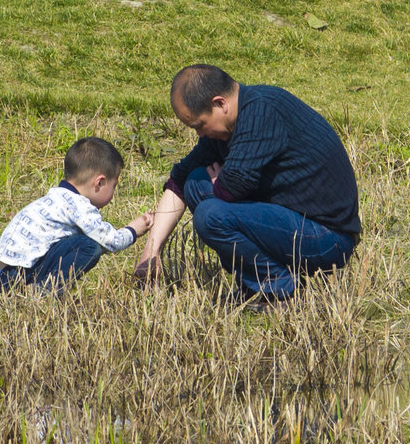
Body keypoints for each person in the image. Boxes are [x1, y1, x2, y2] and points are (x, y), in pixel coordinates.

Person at [134, 64, 361, 308]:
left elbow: (230, 189)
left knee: (211, 215)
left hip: (328, 238)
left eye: (199, 125)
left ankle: (279, 289)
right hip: (290, 224)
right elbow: (179, 180)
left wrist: (222, 184)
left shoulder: (262, 113)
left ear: (221, 104)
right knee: (196, 183)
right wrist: (152, 251)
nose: (199, 134)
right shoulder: (228, 126)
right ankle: (254, 284)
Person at [0, 137, 154, 294]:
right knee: (89, 246)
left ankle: (31, 291)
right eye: (114, 186)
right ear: (99, 183)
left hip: (4, 275)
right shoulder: (79, 206)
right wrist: (133, 230)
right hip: (21, 275)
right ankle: (43, 292)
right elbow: (111, 241)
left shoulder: (54, 198)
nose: (113, 194)